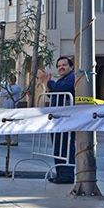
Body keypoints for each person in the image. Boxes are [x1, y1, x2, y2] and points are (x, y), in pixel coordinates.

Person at [37, 56, 76, 184]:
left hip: (66, 119)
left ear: (71, 67)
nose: (61, 68)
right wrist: (46, 83)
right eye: (59, 66)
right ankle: (60, 173)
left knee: (65, 147)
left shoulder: (72, 78)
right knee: (58, 147)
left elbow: (61, 89)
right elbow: (53, 92)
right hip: (57, 119)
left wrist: (48, 82)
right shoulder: (61, 79)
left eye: (64, 65)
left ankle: (67, 175)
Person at [0, 75, 22, 147]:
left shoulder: (17, 87)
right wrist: (6, 89)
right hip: (6, 108)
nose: (10, 81)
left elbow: (10, 92)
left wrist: (7, 89)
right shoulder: (7, 87)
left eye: (11, 79)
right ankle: (7, 139)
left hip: (13, 107)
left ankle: (14, 141)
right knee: (6, 123)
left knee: (14, 124)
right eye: (9, 79)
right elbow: (1, 94)